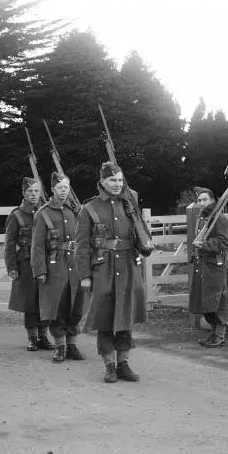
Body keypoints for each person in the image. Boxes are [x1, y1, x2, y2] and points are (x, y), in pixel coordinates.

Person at [75, 162, 151, 383]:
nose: (117, 185)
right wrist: (85, 276)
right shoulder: (89, 209)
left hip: (128, 267)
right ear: (102, 182)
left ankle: (124, 364)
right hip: (102, 270)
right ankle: (109, 366)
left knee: (125, 317)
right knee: (105, 319)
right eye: (112, 181)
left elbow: (138, 238)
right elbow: (82, 246)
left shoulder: (129, 206)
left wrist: (145, 245)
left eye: (120, 180)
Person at [31, 172, 86, 363]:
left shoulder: (75, 211)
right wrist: (40, 270)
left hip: (75, 264)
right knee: (58, 307)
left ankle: (72, 345)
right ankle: (60, 346)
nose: (64, 191)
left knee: (76, 305)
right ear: (53, 189)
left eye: (66, 187)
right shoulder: (43, 213)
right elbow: (37, 246)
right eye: (60, 188)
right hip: (55, 267)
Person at [4, 177, 55, 352]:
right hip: (26, 264)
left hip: (46, 262)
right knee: (30, 302)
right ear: (23, 193)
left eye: (36, 191)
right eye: (30, 191)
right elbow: (9, 245)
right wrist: (11, 268)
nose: (33, 195)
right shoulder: (16, 216)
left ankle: (44, 336)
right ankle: (32, 337)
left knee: (45, 299)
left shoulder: (47, 213)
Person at [189, 187, 228, 348]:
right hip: (203, 265)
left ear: (213, 200)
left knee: (218, 300)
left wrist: (204, 245)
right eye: (199, 200)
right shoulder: (204, 219)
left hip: (215, 265)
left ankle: (219, 336)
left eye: (204, 200)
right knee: (207, 301)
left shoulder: (219, 219)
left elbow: (225, 242)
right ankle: (213, 335)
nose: (201, 203)